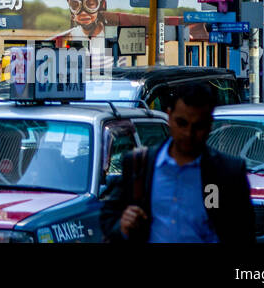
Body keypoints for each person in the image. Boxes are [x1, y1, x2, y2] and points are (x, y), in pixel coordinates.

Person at [100, 82, 254, 243]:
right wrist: (123, 226)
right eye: (182, 123)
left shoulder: (228, 172)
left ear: (209, 125)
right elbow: (108, 218)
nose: (188, 133)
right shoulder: (140, 164)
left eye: (198, 126)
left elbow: (243, 233)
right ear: (169, 117)